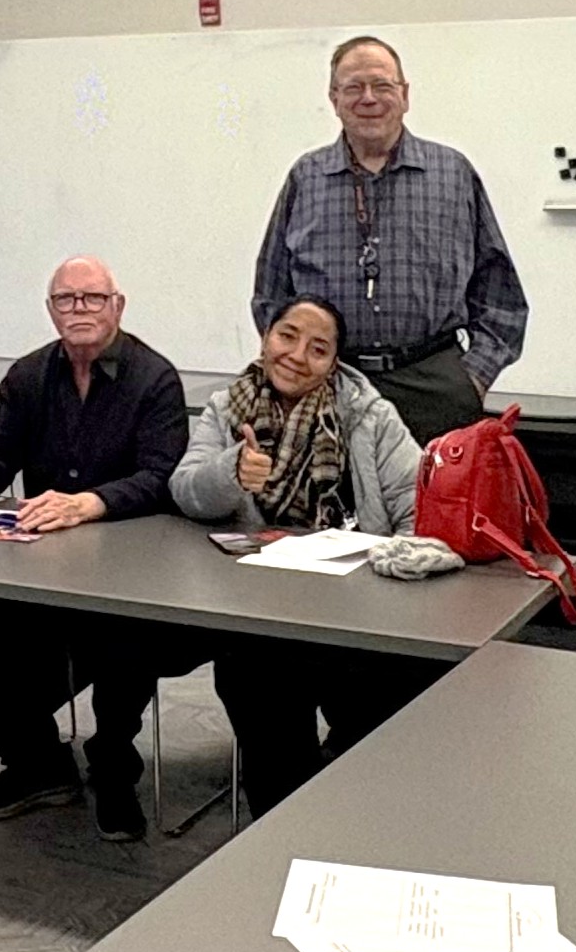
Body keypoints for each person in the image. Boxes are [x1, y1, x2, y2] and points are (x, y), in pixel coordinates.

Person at [0, 255, 196, 842]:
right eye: (66, 299)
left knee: (122, 627)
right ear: (50, 310)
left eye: (92, 298)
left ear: (117, 306)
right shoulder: (28, 376)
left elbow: (162, 477)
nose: (79, 309)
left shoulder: (154, 378)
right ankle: (35, 761)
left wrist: (91, 503)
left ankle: (114, 767)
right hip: (44, 557)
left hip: (131, 558)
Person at [169, 298, 438, 813]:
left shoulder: (370, 416)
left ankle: (355, 808)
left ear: (334, 362)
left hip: (357, 612)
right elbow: (186, 490)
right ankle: (286, 820)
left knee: (390, 691)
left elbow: (418, 512)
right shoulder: (228, 408)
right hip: (262, 613)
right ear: (265, 337)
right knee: (251, 681)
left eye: (318, 349)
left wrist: (386, 576)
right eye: (287, 336)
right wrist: (231, 471)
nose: (296, 355)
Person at [251, 35, 527, 445]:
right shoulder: (306, 177)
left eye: (382, 85)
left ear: (405, 95)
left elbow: (501, 297)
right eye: (353, 87)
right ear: (333, 98)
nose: (368, 98)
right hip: (329, 386)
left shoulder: (452, 174)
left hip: (434, 389)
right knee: (329, 490)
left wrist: (471, 378)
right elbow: (271, 294)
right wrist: (294, 368)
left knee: (433, 490)